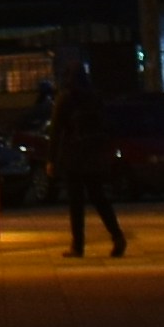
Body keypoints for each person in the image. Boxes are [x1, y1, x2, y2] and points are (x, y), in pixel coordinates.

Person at [50, 62, 128, 258]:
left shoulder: (65, 98)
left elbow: (56, 131)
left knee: (76, 202)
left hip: (73, 156)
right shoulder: (94, 97)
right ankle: (117, 235)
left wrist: (51, 159)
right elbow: (106, 126)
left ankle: (78, 245)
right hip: (93, 155)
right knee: (99, 198)